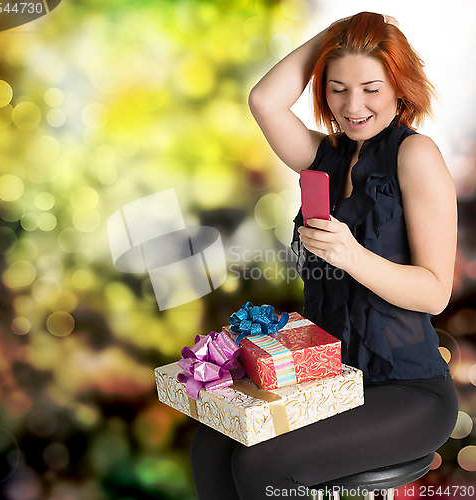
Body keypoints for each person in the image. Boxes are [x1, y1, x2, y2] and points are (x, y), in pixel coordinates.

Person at [190, 12, 459, 499]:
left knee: (261, 465)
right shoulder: (326, 156)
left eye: (371, 88)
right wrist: (340, 33)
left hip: (406, 388)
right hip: (328, 377)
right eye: (337, 89)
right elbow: (263, 100)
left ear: (400, 87)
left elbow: (436, 293)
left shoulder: (416, 156)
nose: (352, 106)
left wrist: (352, 255)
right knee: (212, 443)